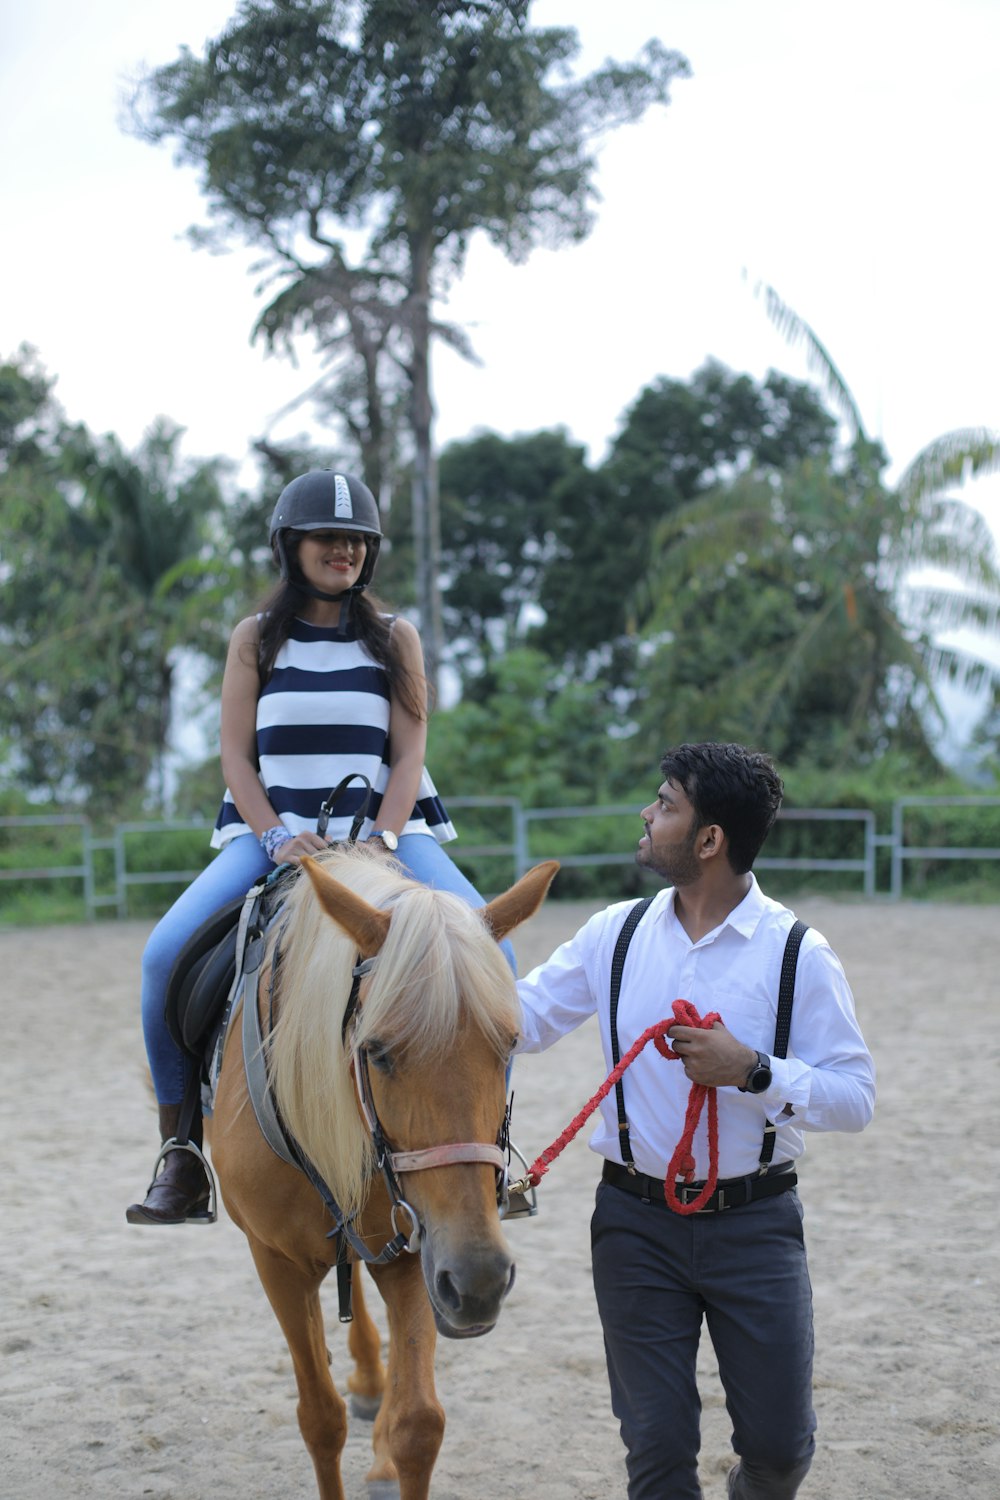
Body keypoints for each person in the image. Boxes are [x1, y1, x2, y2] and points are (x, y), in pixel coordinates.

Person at [127, 469, 514, 1227]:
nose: (343, 551)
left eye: (356, 541)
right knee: (162, 955)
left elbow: (408, 755)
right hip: (274, 836)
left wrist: (386, 836)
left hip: (387, 835)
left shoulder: (395, 637)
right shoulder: (255, 639)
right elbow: (236, 757)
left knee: (488, 955)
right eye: (327, 538)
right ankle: (179, 1151)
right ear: (290, 546)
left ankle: (494, 1149)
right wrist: (273, 835)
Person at [515, 742, 876, 1500]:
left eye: (666, 803)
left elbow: (856, 1096)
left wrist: (753, 1070)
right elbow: (521, 1018)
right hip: (633, 1224)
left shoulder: (798, 954)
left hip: (757, 1226)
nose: (647, 813)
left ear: (709, 840)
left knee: (780, 1451)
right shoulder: (613, 933)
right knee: (657, 1452)